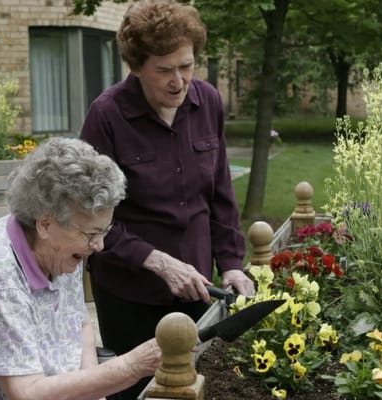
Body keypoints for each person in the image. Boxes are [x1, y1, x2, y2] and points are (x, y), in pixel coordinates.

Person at [79, 1, 255, 398]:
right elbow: (88, 220)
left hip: (198, 290)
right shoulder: (107, 116)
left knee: (195, 388)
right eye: (164, 70)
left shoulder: (207, 102)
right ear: (137, 67)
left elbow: (221, 195)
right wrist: (157, 261)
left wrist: (230, 264)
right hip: (130, 296)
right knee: (141, 392)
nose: (179, 81)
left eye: (187, 66)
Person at [0, 137, 162, 399]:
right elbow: (25, 394)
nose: (99, 246)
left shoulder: (61, 248)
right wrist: (130, 367)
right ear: (45, 224)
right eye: (92, 234)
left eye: (104, 232)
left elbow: (79, 324)